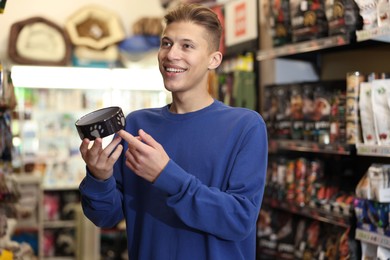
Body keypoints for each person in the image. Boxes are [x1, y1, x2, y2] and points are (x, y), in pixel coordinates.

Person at [79, 3, 268, 260]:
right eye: (166, 43)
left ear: (214, 60)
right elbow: (105, 216)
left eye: (187, 46)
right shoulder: (137, 125)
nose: (171, 55)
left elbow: (239, 220)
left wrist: (165, 175)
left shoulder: (245, 126)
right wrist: (99, 177)